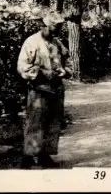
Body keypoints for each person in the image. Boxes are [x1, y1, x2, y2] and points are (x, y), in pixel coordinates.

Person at [17, 11, 72, 168]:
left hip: (56, 89)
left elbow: (67, 62)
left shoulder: (57, 43)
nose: (59, 29)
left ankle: (44, 156)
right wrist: (40, 72)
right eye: (56, 26)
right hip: (39, 89)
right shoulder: (31, 43)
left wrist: (65, 71)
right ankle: (28, 157)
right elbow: (22, 66)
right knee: (35, 122)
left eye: (60, 26)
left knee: (53, 123)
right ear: (45, 25)